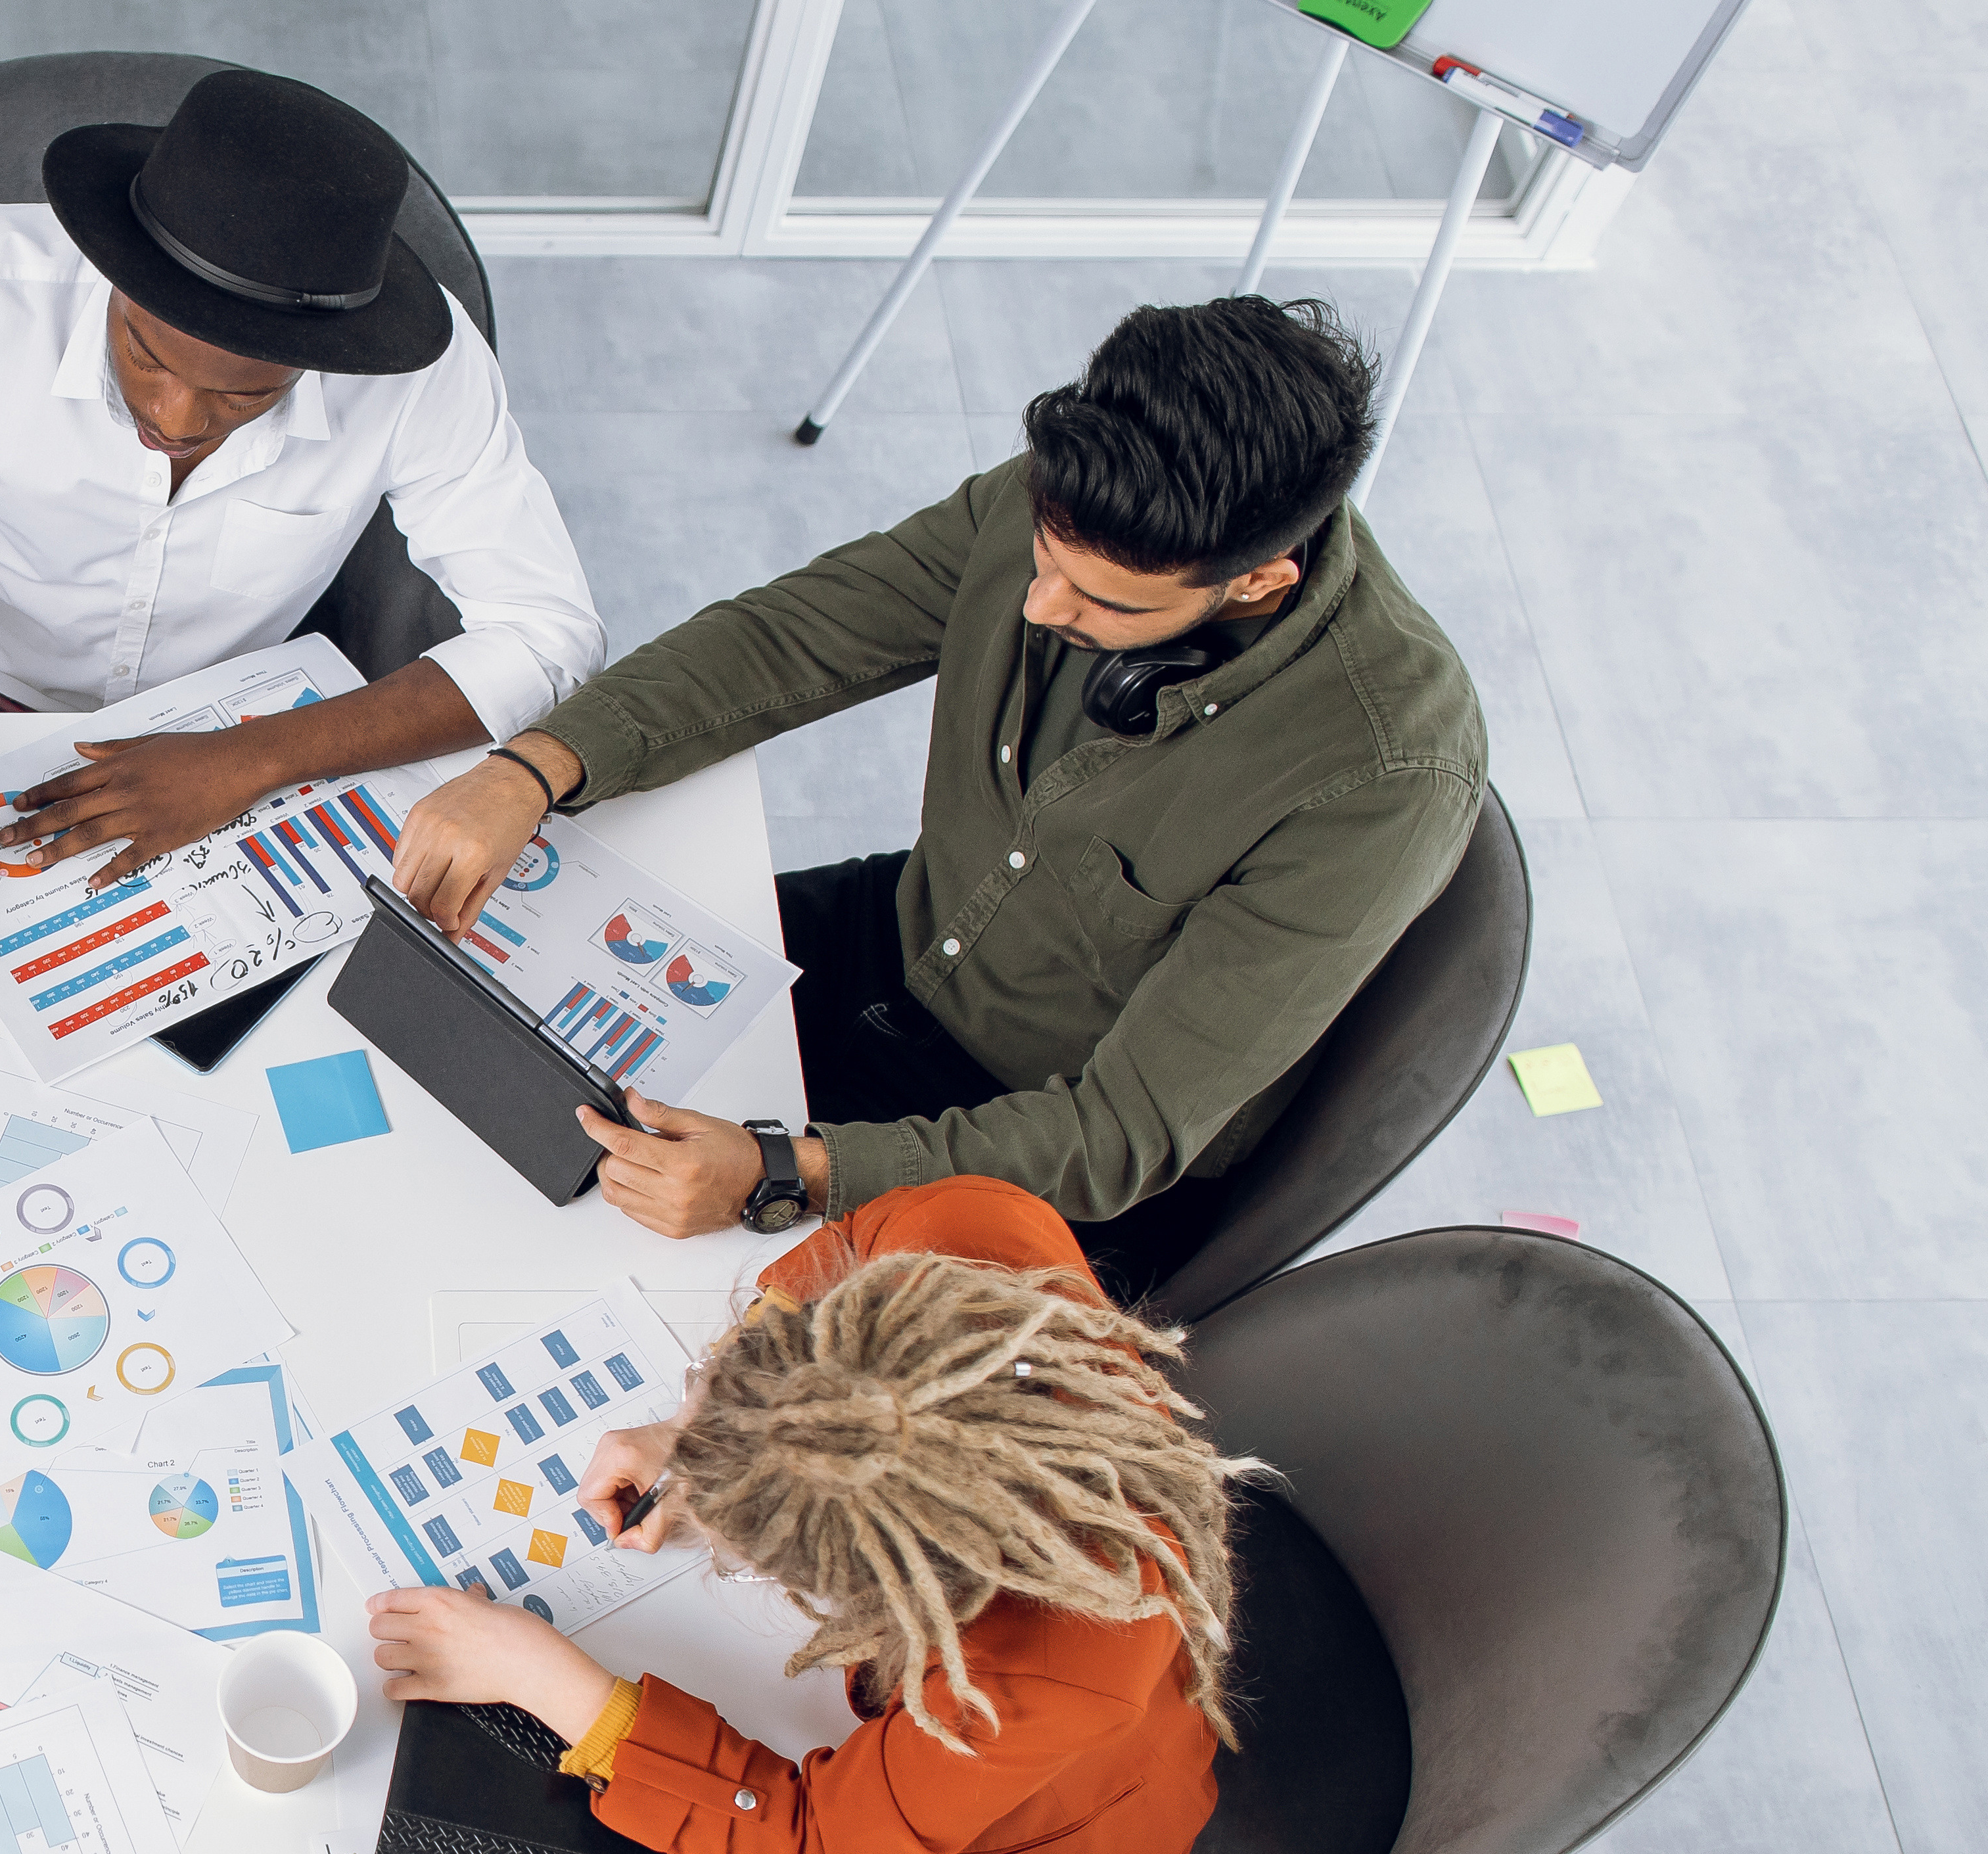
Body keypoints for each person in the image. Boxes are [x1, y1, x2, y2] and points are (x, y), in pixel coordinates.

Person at [389, 298, 1486, 1296]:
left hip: (1044, 1136)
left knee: (687, 1353)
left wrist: (786, 1173)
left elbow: (1121, 1134)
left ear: (1257, 582)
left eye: (1100, 602)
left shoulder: (1383, 776)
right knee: (484, 1048)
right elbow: (793, 639)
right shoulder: (1070, 503)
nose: (1039, 602)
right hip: (910, 938)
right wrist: (531, 768)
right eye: (1044, 556)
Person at [360, 1176, 1252, 1854]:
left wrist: (537, 1673)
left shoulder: (1052, 1663)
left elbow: (811, 1840)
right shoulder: (968, 1238)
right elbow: (844, 1250)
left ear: (891, 1589)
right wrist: (708, 1435)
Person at [0, 66, 601, 891]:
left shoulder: (421, 378)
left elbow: (547, 634)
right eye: (145, 354)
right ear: (114, 277)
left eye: (245, 393)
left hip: (241, 720)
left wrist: (253, 757)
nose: (179, 419)